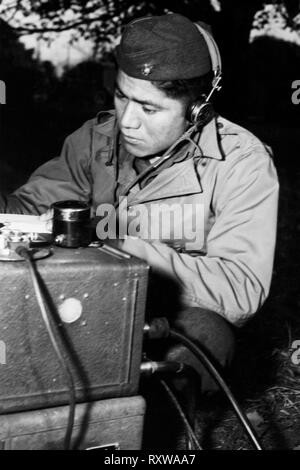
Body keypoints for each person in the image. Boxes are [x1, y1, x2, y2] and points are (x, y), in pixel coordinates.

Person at [0, 14, 278, 404]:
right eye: (121, 96)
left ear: (198, 107)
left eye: (149, 109)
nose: (127, 121)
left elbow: (239, 289)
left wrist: (113, 240)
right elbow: (29, 210)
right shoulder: (93, 139)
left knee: (206, 336)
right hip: (86, 302)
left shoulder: (241, 163)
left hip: (167, 320)